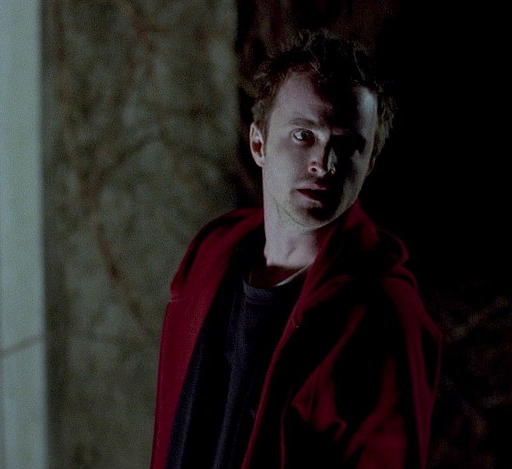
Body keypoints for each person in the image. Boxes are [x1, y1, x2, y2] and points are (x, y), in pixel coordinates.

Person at [149, 29, 442, 469]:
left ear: (369, 163)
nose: (325, 163)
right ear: (259, 144)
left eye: (348, 145)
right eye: (304, 135)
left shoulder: (382, 311)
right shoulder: (211, 258)